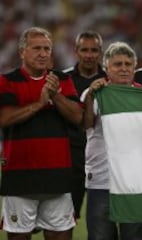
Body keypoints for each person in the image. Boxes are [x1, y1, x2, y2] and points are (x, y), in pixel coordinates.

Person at [0, 27, 83, 240]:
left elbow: (78, 117)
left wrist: (55, 96)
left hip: (58, 178)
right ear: (22, 52)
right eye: (36, 48)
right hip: (20, 179)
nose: (43, 53)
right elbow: (5, 118)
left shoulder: (61, 80)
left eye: (47, 48)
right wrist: (38, 103)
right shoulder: (7, 81)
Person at [82, 41, 142, 240]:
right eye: (118, 64)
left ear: (135, 68)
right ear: (106, 68)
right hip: (102, 181)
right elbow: (85, 124)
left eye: (128, 64)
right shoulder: (94, 94)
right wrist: (91, 96)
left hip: (135, 182)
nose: (124, 68)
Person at [64, 30, 106, 220]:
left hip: (103, 158)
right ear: (76, 51)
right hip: (71, 157)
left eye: (94, 50)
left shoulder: (112, 81)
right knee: (66, 219)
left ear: (101, 52)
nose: (89, 55)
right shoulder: (64, 80)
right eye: (84, 50)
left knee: (105, 218)